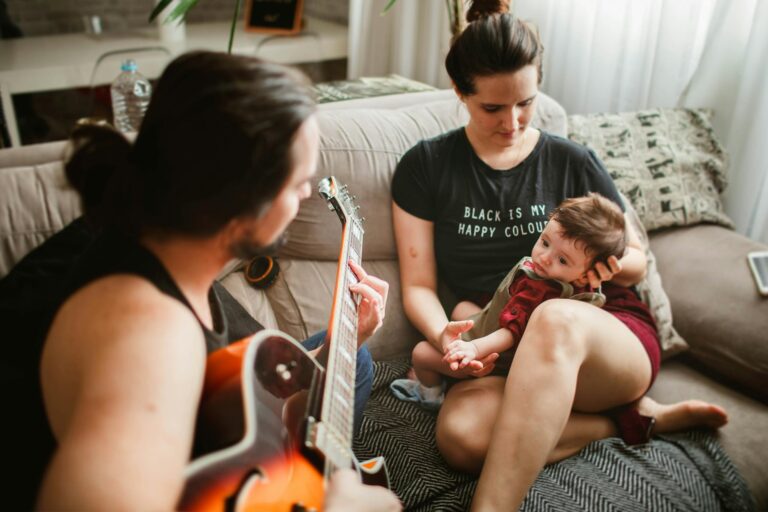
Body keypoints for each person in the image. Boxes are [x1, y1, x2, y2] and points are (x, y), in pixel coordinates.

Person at [2, 51, 400, 511]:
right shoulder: (148, 334)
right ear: (242, 200)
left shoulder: (166, 245)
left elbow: (240, 398)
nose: (307, 194)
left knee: (359, 360)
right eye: (296, 185)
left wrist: (348, 339)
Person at [390, 2, 728, 510]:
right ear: (460, 93)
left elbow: (634, 257)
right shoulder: (425, 167)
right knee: (461, 438)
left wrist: (610, 266)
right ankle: (635, 419)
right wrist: (444, 334)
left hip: (598, 332)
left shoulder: (571, 161)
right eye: (492, 108)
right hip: (502, 340)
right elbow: (418, 284)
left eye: (526, 102)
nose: (513, 121)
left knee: (551, 317)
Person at [390, 193, 627, 409]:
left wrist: (473, 349)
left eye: (562, 260)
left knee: (421, 353)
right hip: (512, 343)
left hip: (493, 357)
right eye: (545, 242)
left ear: (587, 272)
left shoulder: (537, 287)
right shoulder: (584, 288)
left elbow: (512, 331)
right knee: (462, 308)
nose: (544, 258)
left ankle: (430, 395)